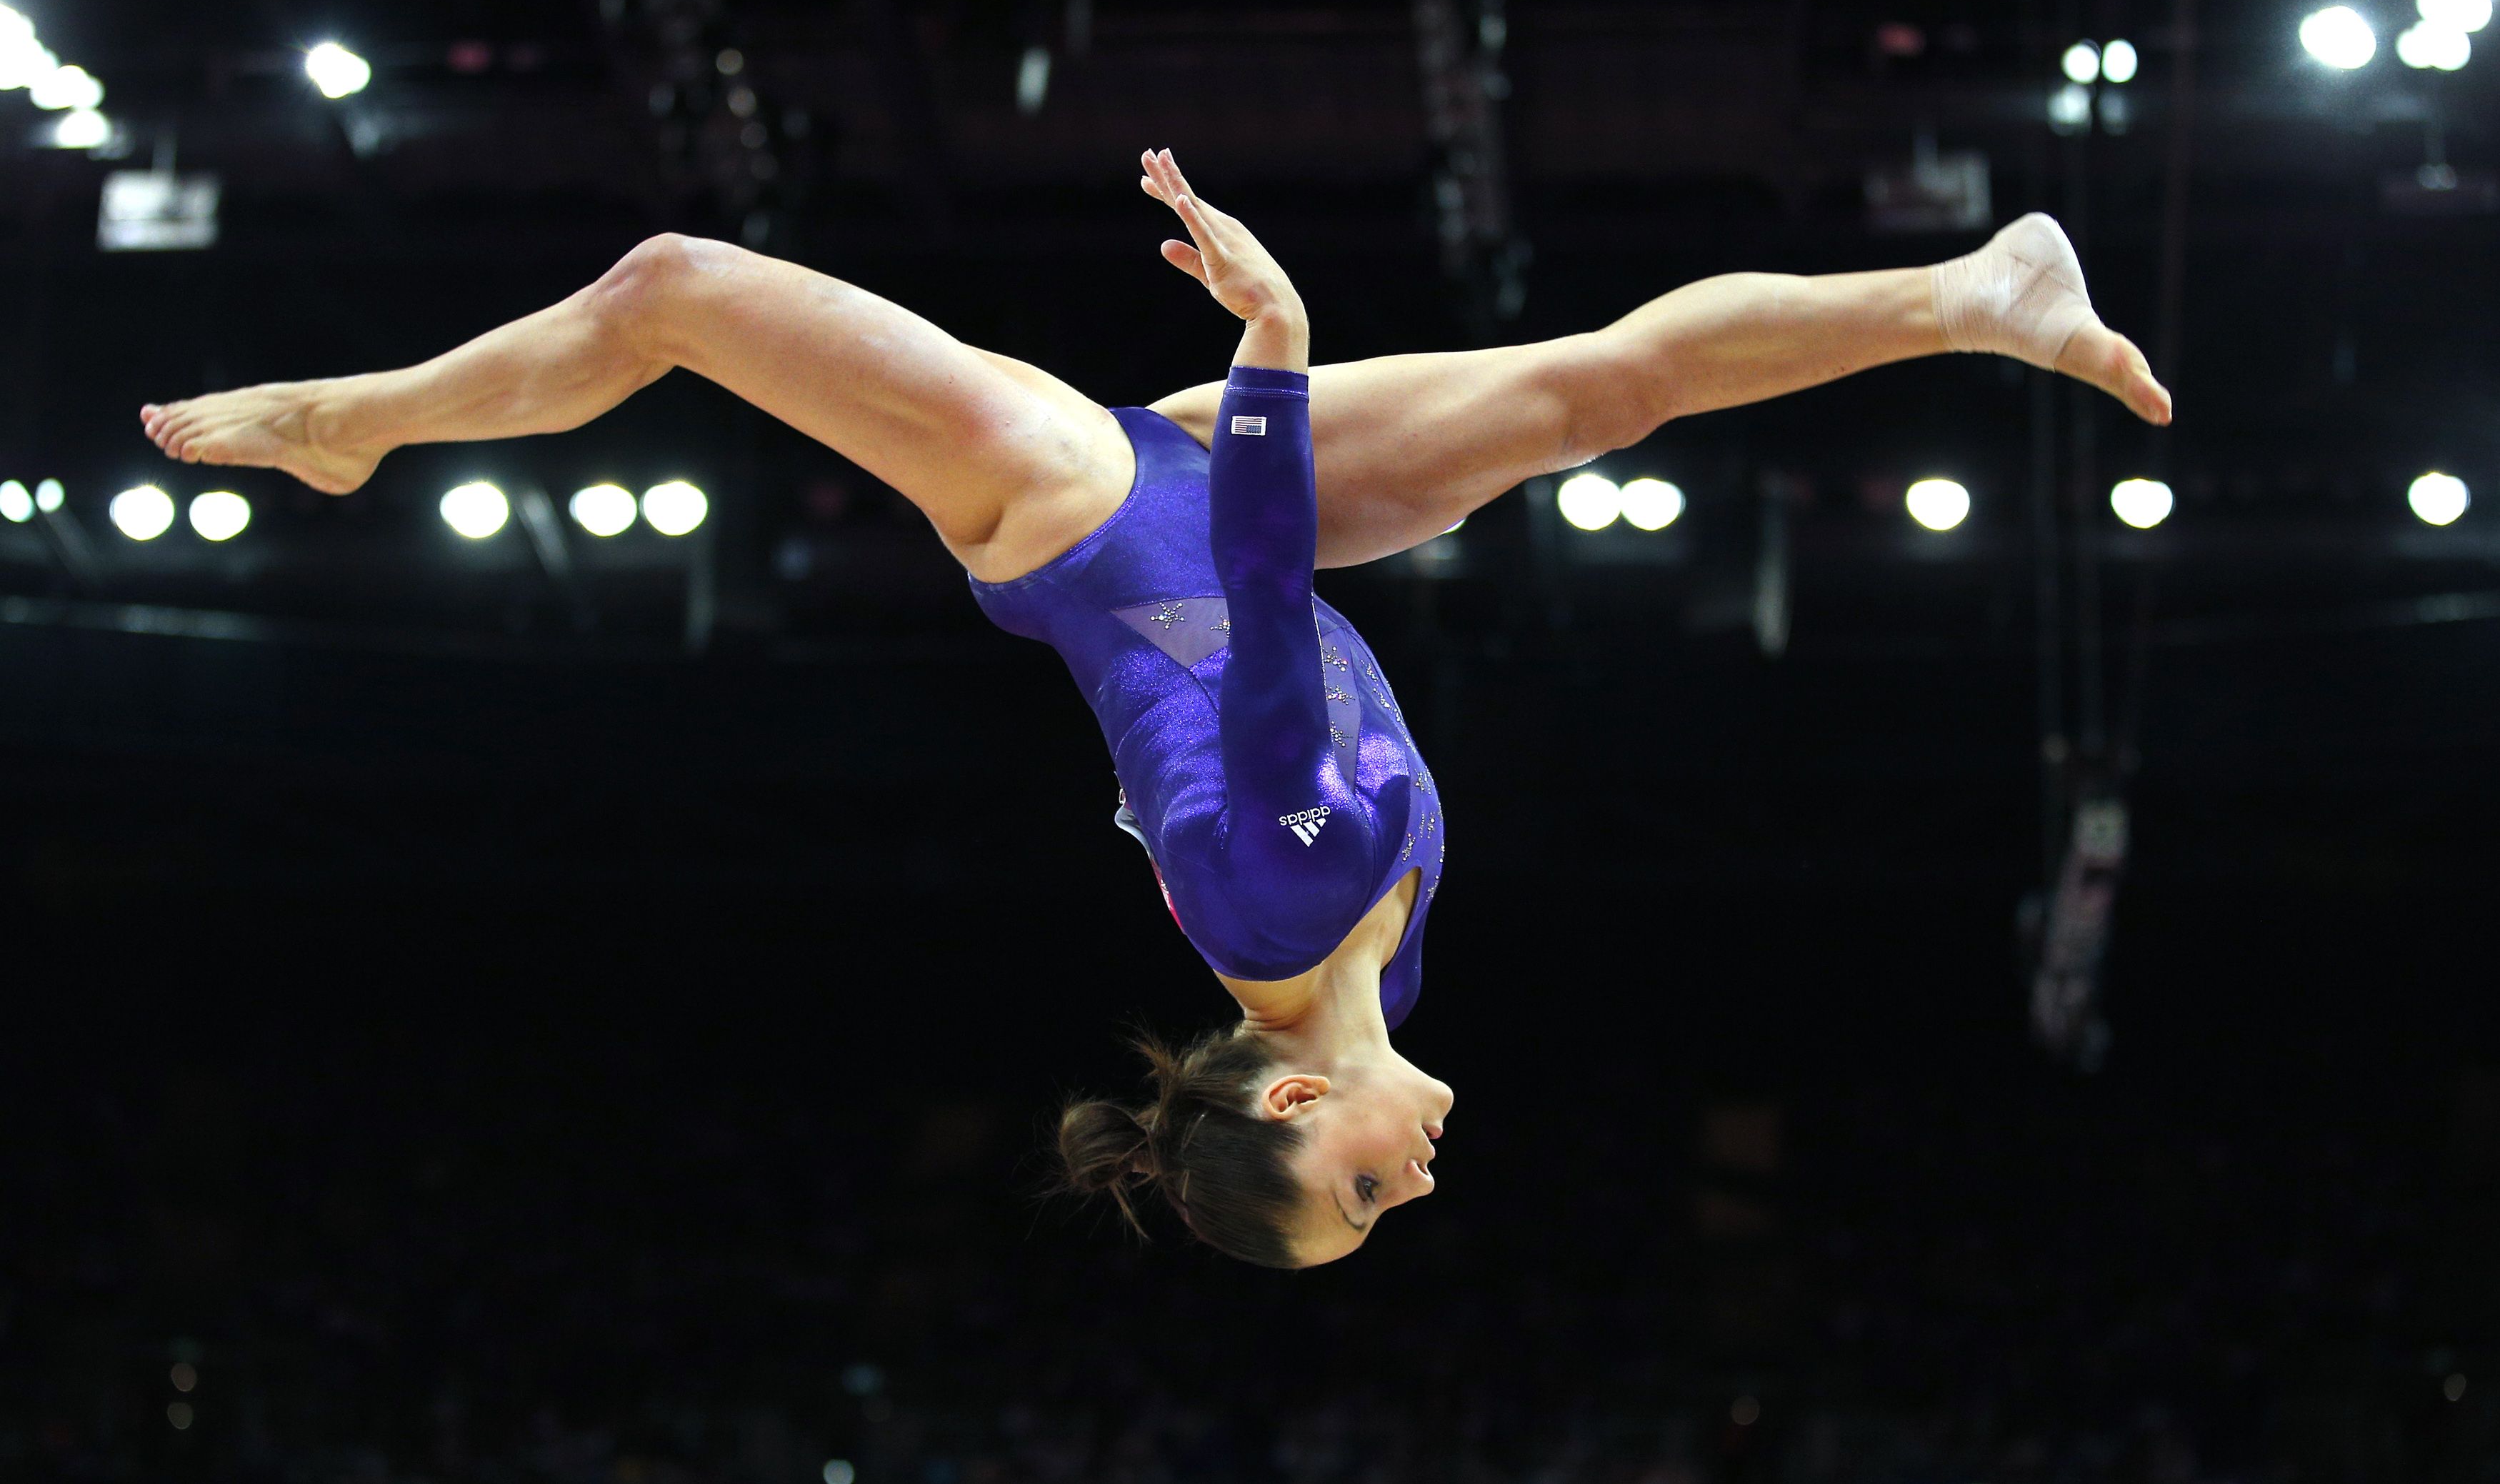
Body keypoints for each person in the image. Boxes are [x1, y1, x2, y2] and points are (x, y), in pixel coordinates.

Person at [138, 150, 2170, 1268]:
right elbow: (1276, 601)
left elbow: (1277, 609)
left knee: (669, 279)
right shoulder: (1389, 968)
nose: (1418, 1177)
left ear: (1291, 1103)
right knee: (1591, 392)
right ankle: (1969, 296)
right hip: (1211, 508)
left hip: (1088, 515)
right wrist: (1260, 419)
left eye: (1365, 1186)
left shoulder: (1278, 900)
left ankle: (357, 425)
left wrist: (1279, 349)